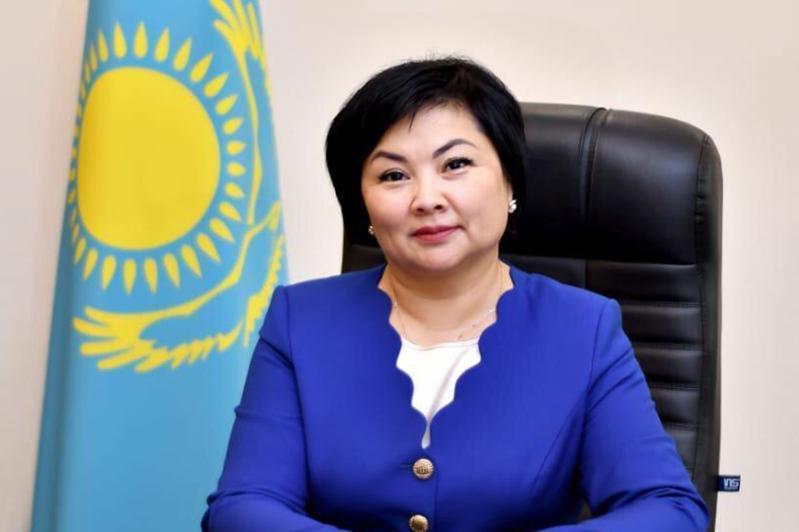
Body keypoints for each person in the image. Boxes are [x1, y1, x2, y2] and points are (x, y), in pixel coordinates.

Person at [202, 57, 709, 531]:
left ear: (509, 182)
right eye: (393, 175)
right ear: (364, 208)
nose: (427, 199)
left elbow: (669, 510)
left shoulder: (584, 329)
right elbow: (243, 508)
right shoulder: (301, 321)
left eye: (456, 164)